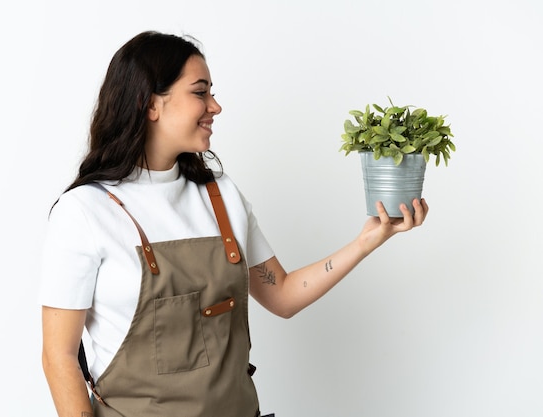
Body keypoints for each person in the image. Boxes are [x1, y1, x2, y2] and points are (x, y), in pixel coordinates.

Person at [40, 30, 428, 417]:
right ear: (150, 103)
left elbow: (284, 294)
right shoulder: (84, 212)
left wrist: (366, 241)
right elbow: (59, 359)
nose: (215, 106)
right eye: (200, 92)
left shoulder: (221, 196)